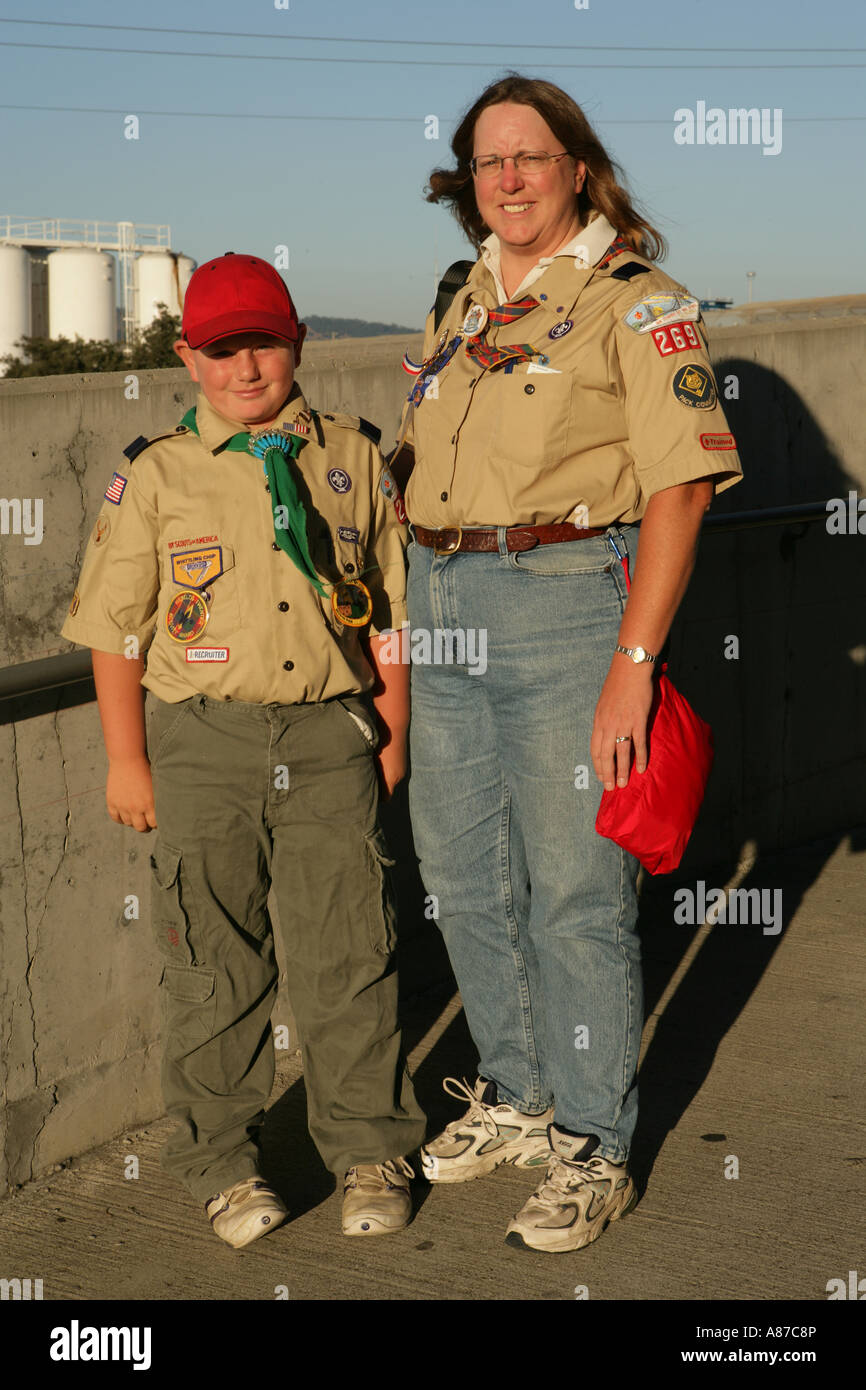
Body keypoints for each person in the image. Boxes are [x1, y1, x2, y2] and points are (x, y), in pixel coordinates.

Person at [393, 75, 743, 1254]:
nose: (507, 179)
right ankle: (519, 1090)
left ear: (575, 168)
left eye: (529, 157)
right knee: (460, 869)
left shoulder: (634, 303)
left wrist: (631, 663)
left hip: (562, 605)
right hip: (439, 594)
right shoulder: (461, 300)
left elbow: (680, 490)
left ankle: (594, 1140)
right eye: (486, 163)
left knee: (574, 894)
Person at [61, 252, 426, 1249]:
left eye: (262, 342)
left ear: (296, 342)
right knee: (211, 962)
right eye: (221, 349)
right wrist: (124, 758)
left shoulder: (350, 458)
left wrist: (390, 726)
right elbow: (114, 631)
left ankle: (366, 1150)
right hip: (201, 739)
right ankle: (222, 1165)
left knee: (349, 950)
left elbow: (388, 613)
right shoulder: (156, 474)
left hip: (327, 734)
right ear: (188, 357)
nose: (244, 366)